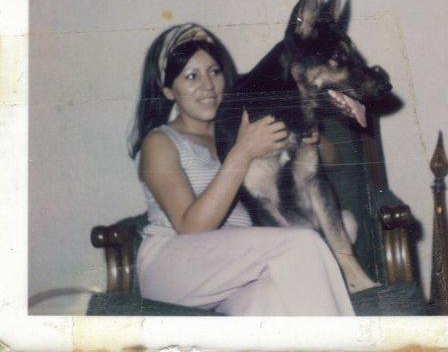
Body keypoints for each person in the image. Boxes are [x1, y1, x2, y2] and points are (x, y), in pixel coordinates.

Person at [128, 22, 355, 316]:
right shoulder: (160, 142)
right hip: (175, 266)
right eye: (191, 76)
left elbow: (333, 161)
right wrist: (243, 152)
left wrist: (314, 138)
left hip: (236, 269)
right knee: (303, 245)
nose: (208, 85)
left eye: (214, 71)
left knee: (272, 299)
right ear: (168, 90)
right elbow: (191, 228)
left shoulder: (238, 127)